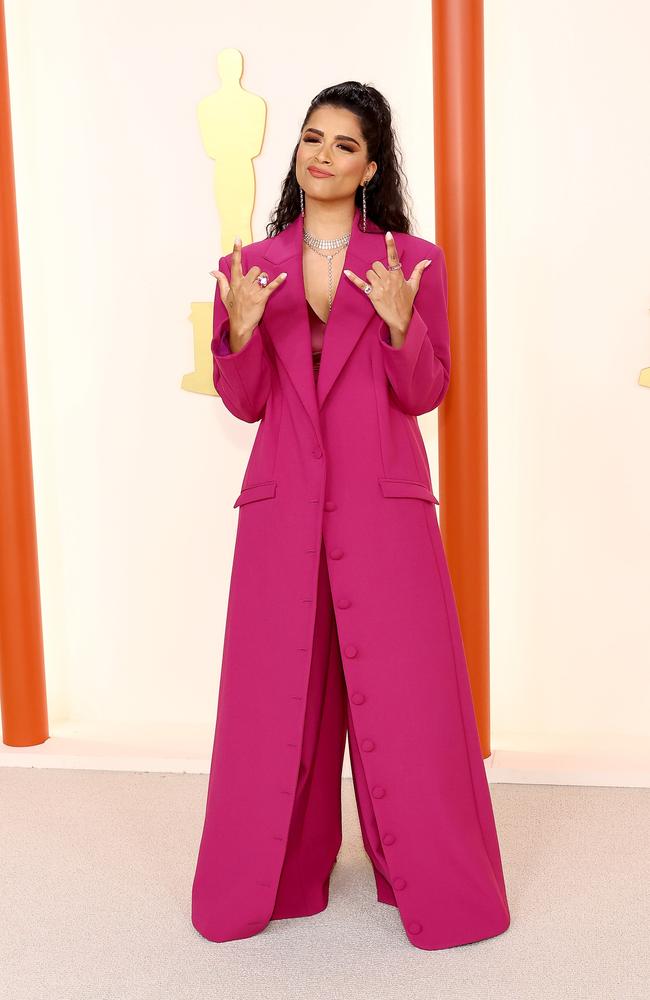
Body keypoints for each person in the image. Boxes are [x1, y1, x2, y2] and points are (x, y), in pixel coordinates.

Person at [191, 81, 511, 951]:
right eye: (311, 138)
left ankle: (434, 882)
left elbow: (426, 391)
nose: (320, 155)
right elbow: (246, 402)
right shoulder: (245, 268)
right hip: (281, 503)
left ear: (371, 166)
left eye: (342, 144)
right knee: (276, 697)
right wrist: (243, 332)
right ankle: (280, 877)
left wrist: (406, 325)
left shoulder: (414, 261)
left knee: (408, 694)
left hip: (384, 501)